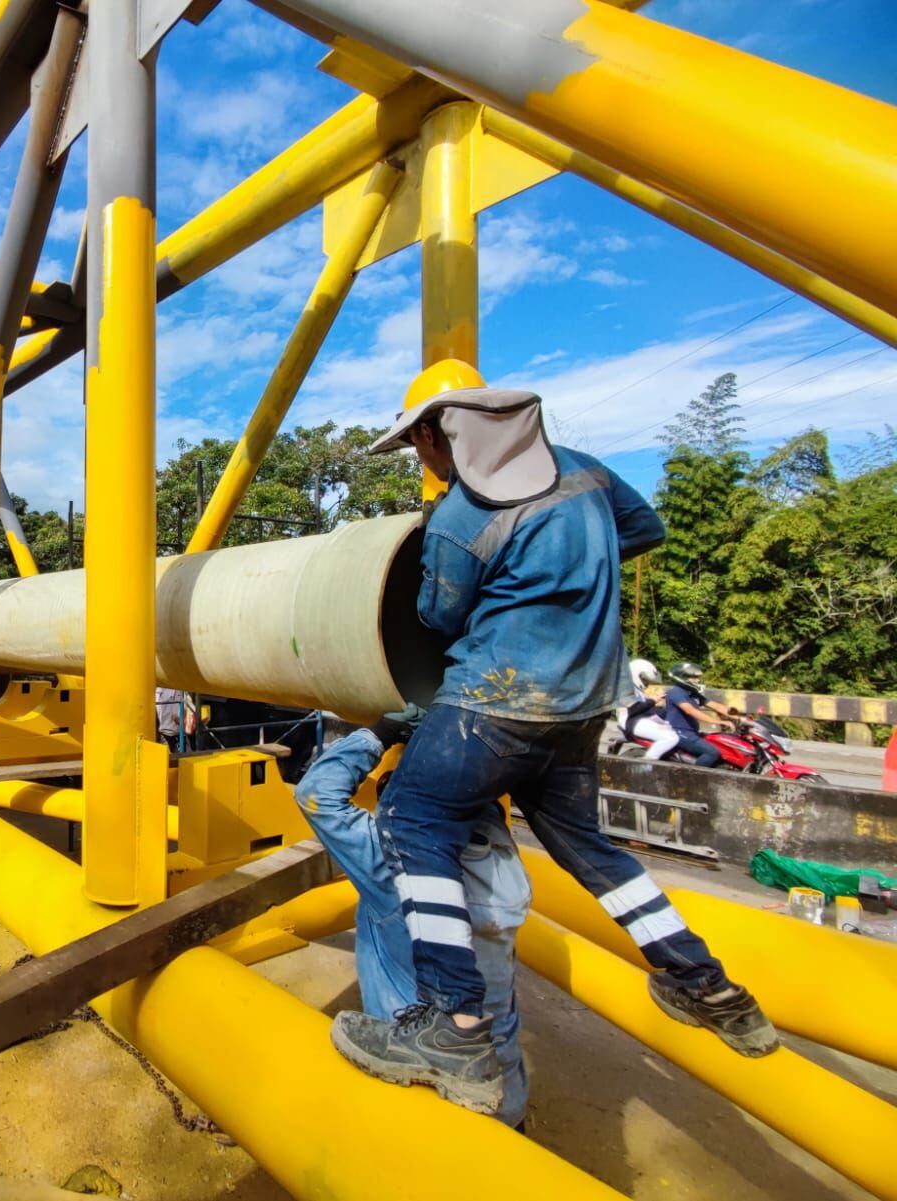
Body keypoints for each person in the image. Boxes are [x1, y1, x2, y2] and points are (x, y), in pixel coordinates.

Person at [328, 364, 777, 1115]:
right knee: (588, 845)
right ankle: (708, 985)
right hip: (581, 704)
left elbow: (438, 617)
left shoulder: (462, 515)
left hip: (494, 703)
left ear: (439, 433)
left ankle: (455, 1025)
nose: (420, 460)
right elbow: (646, 528)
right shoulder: (587, 473)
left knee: (411, 817)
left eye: (417, 446)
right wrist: (568, 572)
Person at [297, 709, 530, 1126]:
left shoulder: (394, 864)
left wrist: (379, 733)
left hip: (425, 1102)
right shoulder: (504, 857)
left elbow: (316, 794)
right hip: (501, 1098)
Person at [661, 661, 737, 768]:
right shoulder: (675, 692)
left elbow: (717, 706)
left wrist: (740, 717)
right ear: (683, 678)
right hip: (678, 732)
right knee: (712, 752)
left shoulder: (693, 694)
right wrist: (719, 722)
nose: (698, 680)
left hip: (691, 732)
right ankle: (694, 775)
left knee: (722, 743)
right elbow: (690, 710)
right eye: (694, 677)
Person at [619, 658, 680, 761]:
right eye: (645, 680)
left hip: (638, 719)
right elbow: (633, 709)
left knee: (674, 729)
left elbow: (643, 706)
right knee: (671, 737)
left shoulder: (635, 689)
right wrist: (652, 700)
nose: (646, 683)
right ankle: (647, 761)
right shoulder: (627, 689)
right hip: (631, 722)